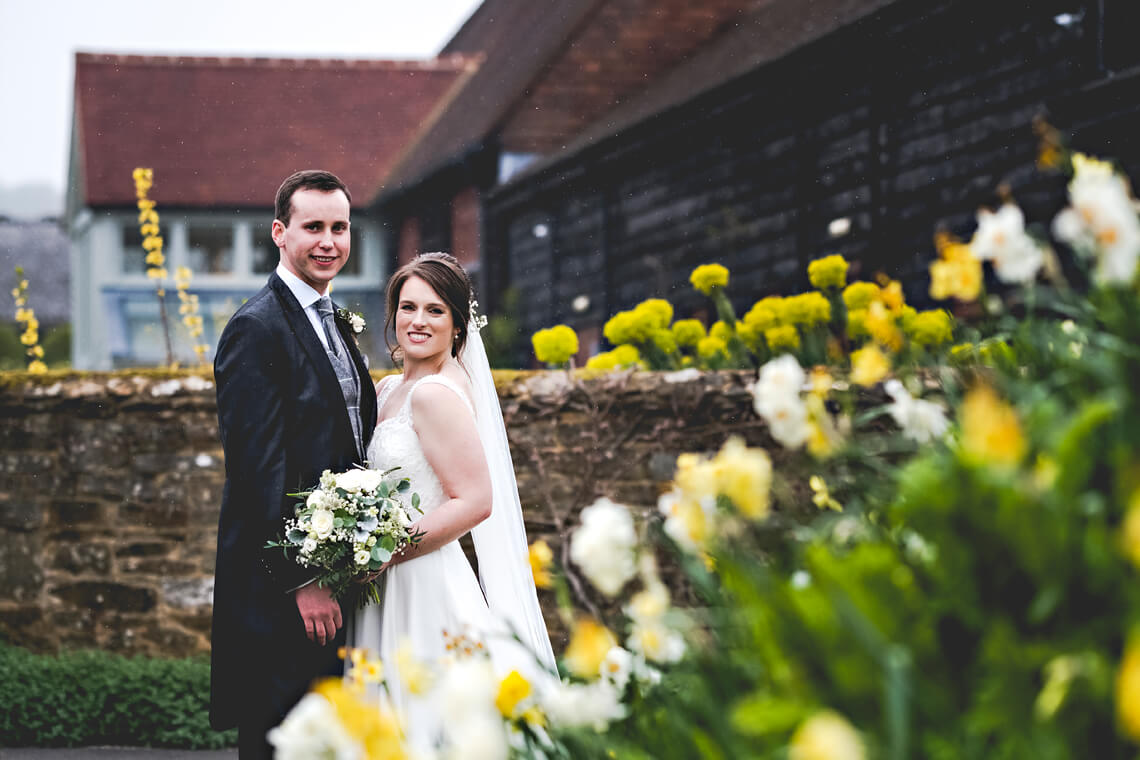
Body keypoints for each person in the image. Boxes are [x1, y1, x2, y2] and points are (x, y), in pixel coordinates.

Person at [349, 252, 556, 750]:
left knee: (426, 724)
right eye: (407, 307)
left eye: (435, 310)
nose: (417, 321)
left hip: (419, 579)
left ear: (459, 327)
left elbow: (475, 501)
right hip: (384, 579)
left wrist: (385, 551)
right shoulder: (391, 387)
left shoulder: (434, 395)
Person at [210, 170, 378, 758]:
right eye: (313, 227)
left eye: (340, 227)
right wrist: (303, 580)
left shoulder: (331, 319)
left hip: (335, 580)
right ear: (280, 233)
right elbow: (258, 472)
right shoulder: (257, 329)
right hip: (281, 591)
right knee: (280, 742)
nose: (329, 241)